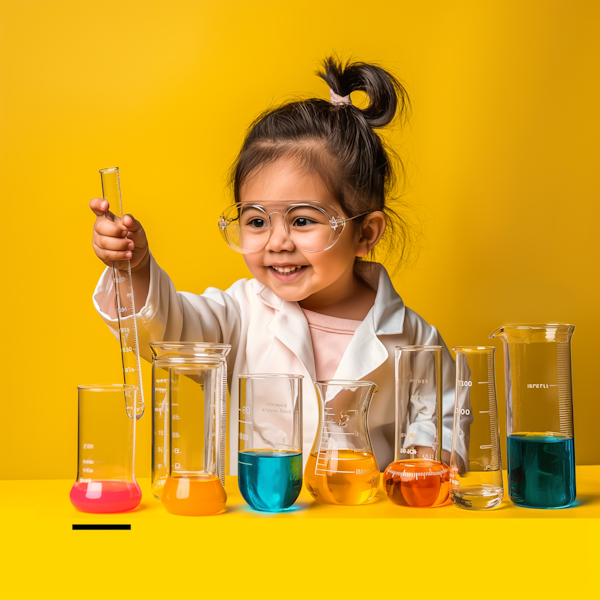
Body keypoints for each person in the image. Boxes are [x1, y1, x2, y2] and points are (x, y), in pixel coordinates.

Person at [90, 57, 456, 474]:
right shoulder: (238, 315)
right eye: (257, 221)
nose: (277, 243)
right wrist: (136, 268)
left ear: (365, 234)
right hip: (261, 519)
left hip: (363, 521)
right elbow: (167, 329)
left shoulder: (413, 338)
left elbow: (441, 421)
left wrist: (434, 453)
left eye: (302, 220)